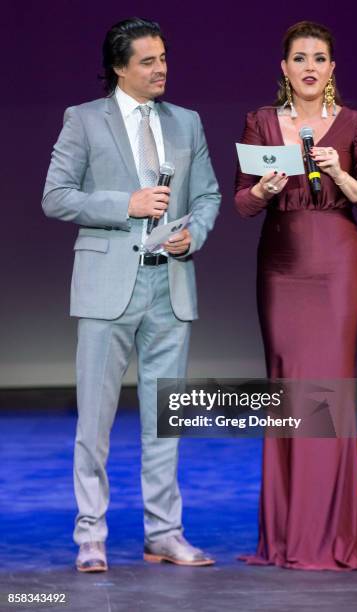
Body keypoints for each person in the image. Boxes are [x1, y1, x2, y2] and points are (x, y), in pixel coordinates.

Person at [42, 17, 220, 572]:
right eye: (148, 60)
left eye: (163, 57)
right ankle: (90, 535)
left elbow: (209, 194)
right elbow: (56, 196)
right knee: (94, 420)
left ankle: (164, 533)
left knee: (165, 418)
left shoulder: (187, 122)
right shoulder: (84, 120)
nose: (161, 68)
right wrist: (126, 204)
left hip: (169, 283)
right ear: (119, 67)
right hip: (107, 286)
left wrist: (195, 236)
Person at [235, 21, 357, 570]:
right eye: (299, 57)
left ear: (331, 68)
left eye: (319, 58)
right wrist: (262, 189)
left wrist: (340, 176)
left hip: (336, 266)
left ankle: (332, 533)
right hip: (281, 267)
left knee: (327, 392)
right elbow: (241, 203)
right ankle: (285, 536)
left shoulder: (356, 124)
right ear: (283, 68)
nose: (309, 66)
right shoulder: (261, 122)